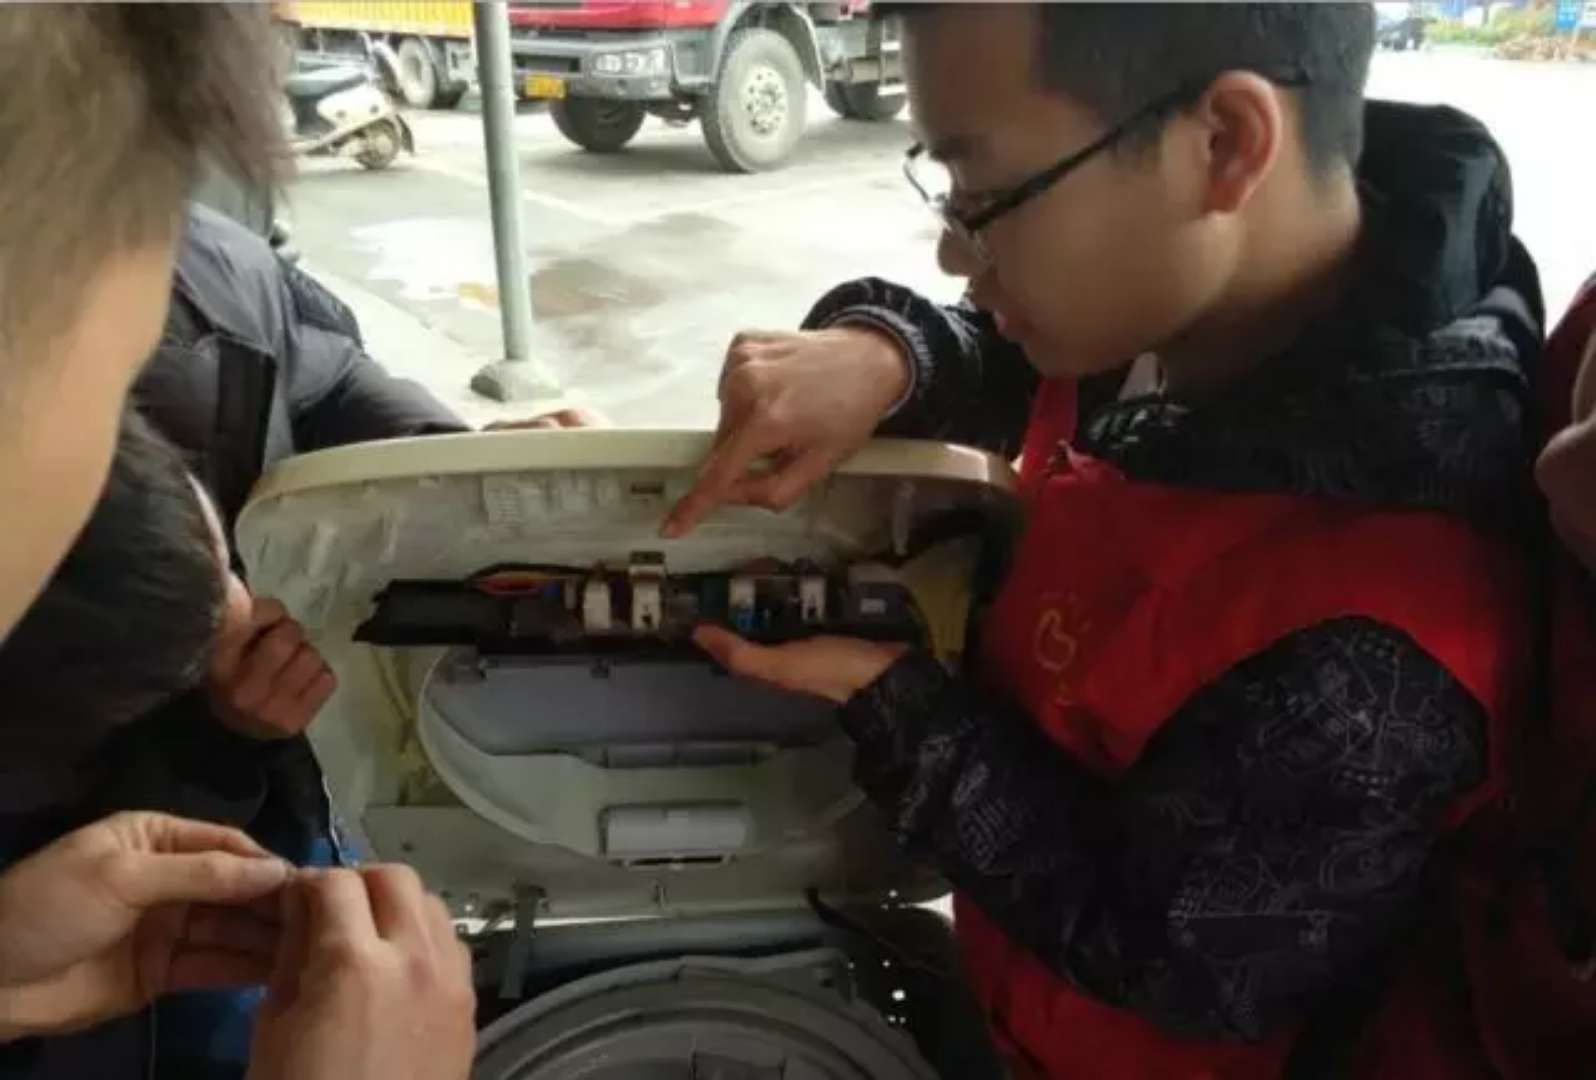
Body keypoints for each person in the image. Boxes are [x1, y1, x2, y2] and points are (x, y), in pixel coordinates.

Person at [672, 3, 1543, 1075]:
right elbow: (1021, 365)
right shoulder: (1190, 304)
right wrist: (893, 356)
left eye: (987, 198)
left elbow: (1167, 958)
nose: (952, 250)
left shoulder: (1376, 653)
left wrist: (903, 708)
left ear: (1225, 145)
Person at [0, 7, 474, 1080]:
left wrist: (449, 471)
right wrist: (209, 748)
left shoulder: (210, 278)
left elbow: (322, 368)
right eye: (107, 412)